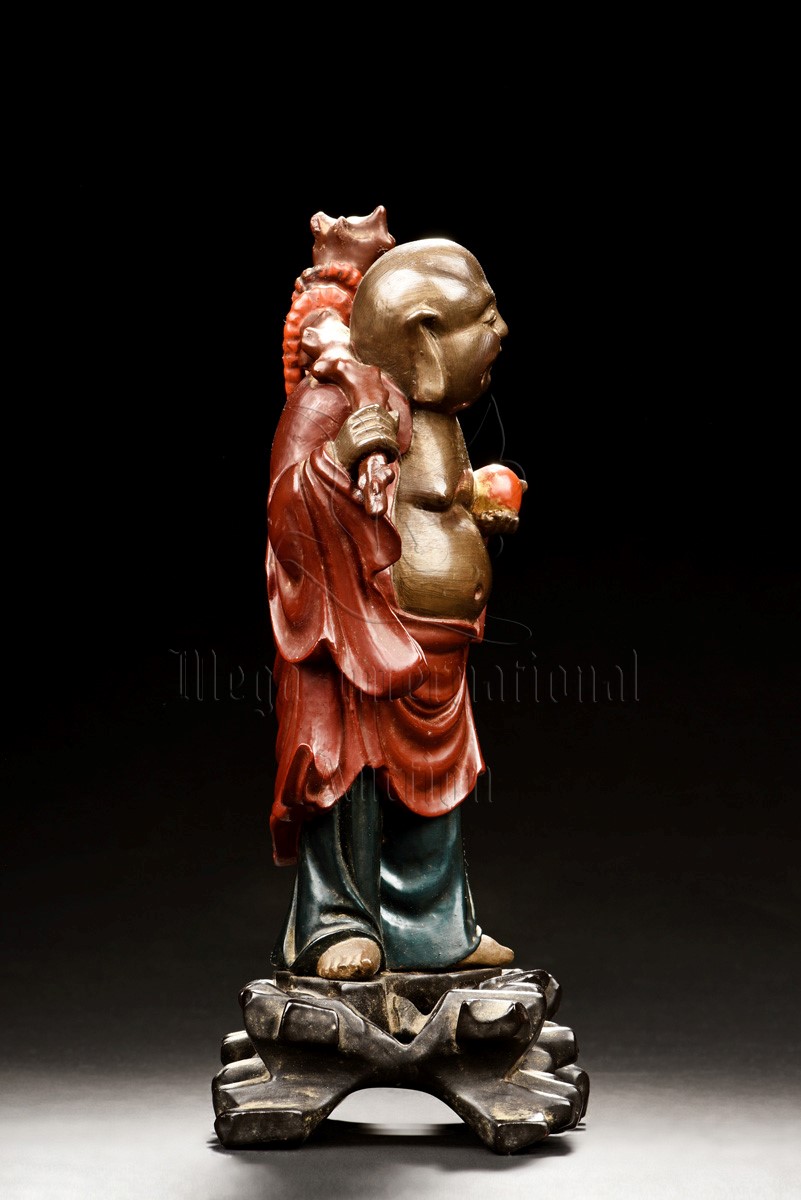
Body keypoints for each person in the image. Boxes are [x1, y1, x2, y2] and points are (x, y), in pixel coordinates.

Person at [266, 233, 522, 980]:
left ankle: (434, 929)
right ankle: (337, 923)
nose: (500, 331)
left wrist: (480, 500)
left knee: (438, 794)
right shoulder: (332, 403)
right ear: (425, 337)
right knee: (348, 783)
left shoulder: (436, 412)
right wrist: (339, 456)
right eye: (484, 317)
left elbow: (437, 497)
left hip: (437, 650)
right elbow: (284, 513)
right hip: (359, 637)